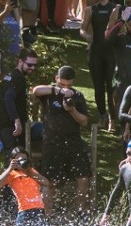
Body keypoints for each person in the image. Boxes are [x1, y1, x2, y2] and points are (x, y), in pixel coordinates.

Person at [32, 65, 94, 212]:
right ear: (56, 79)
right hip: (52, 143)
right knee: (50, 182)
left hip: (74, 142)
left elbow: (84, 121)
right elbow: (35, 90)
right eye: (62, 84)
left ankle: (81, 213)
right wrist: (58, 90)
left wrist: (72, 110)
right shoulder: (49, 93)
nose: (66, 88)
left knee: (83, 178)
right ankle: (47, 215)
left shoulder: (77, 96)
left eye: (69, 85)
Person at [0, 151, 51, 226]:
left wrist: (28, 170)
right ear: (13, 161)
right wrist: (10, 168)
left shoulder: (32, 171)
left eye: (24, 159)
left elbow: (46, 183)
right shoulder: (12, 174)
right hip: (25, 212)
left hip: (39, 211)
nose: (22, 162)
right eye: (19, 160)